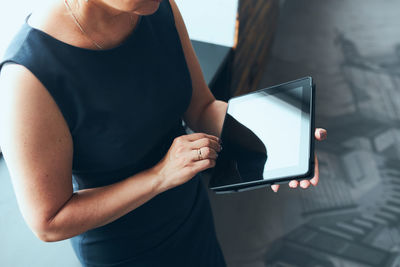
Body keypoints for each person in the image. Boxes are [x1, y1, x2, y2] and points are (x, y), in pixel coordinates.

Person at [0, 0, 328, 266]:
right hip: (126, 249)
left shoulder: (157, 7)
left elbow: (202, 108)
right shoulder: (27, 78)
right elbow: (49, 221)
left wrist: (279, 138)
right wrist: (160, 176)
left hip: (189, 213)